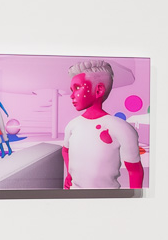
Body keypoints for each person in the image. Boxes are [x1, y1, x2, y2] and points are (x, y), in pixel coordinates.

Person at [62, 60, 144, 189]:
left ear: (99, 90)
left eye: (77, 88)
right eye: (72, 90)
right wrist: (69, 175)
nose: (72, 96)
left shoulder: (121, 128)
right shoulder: (72, 125)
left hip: (108, 197)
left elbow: (135, 171)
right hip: (74, 194)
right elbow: (65, 151)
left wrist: (135, 197)